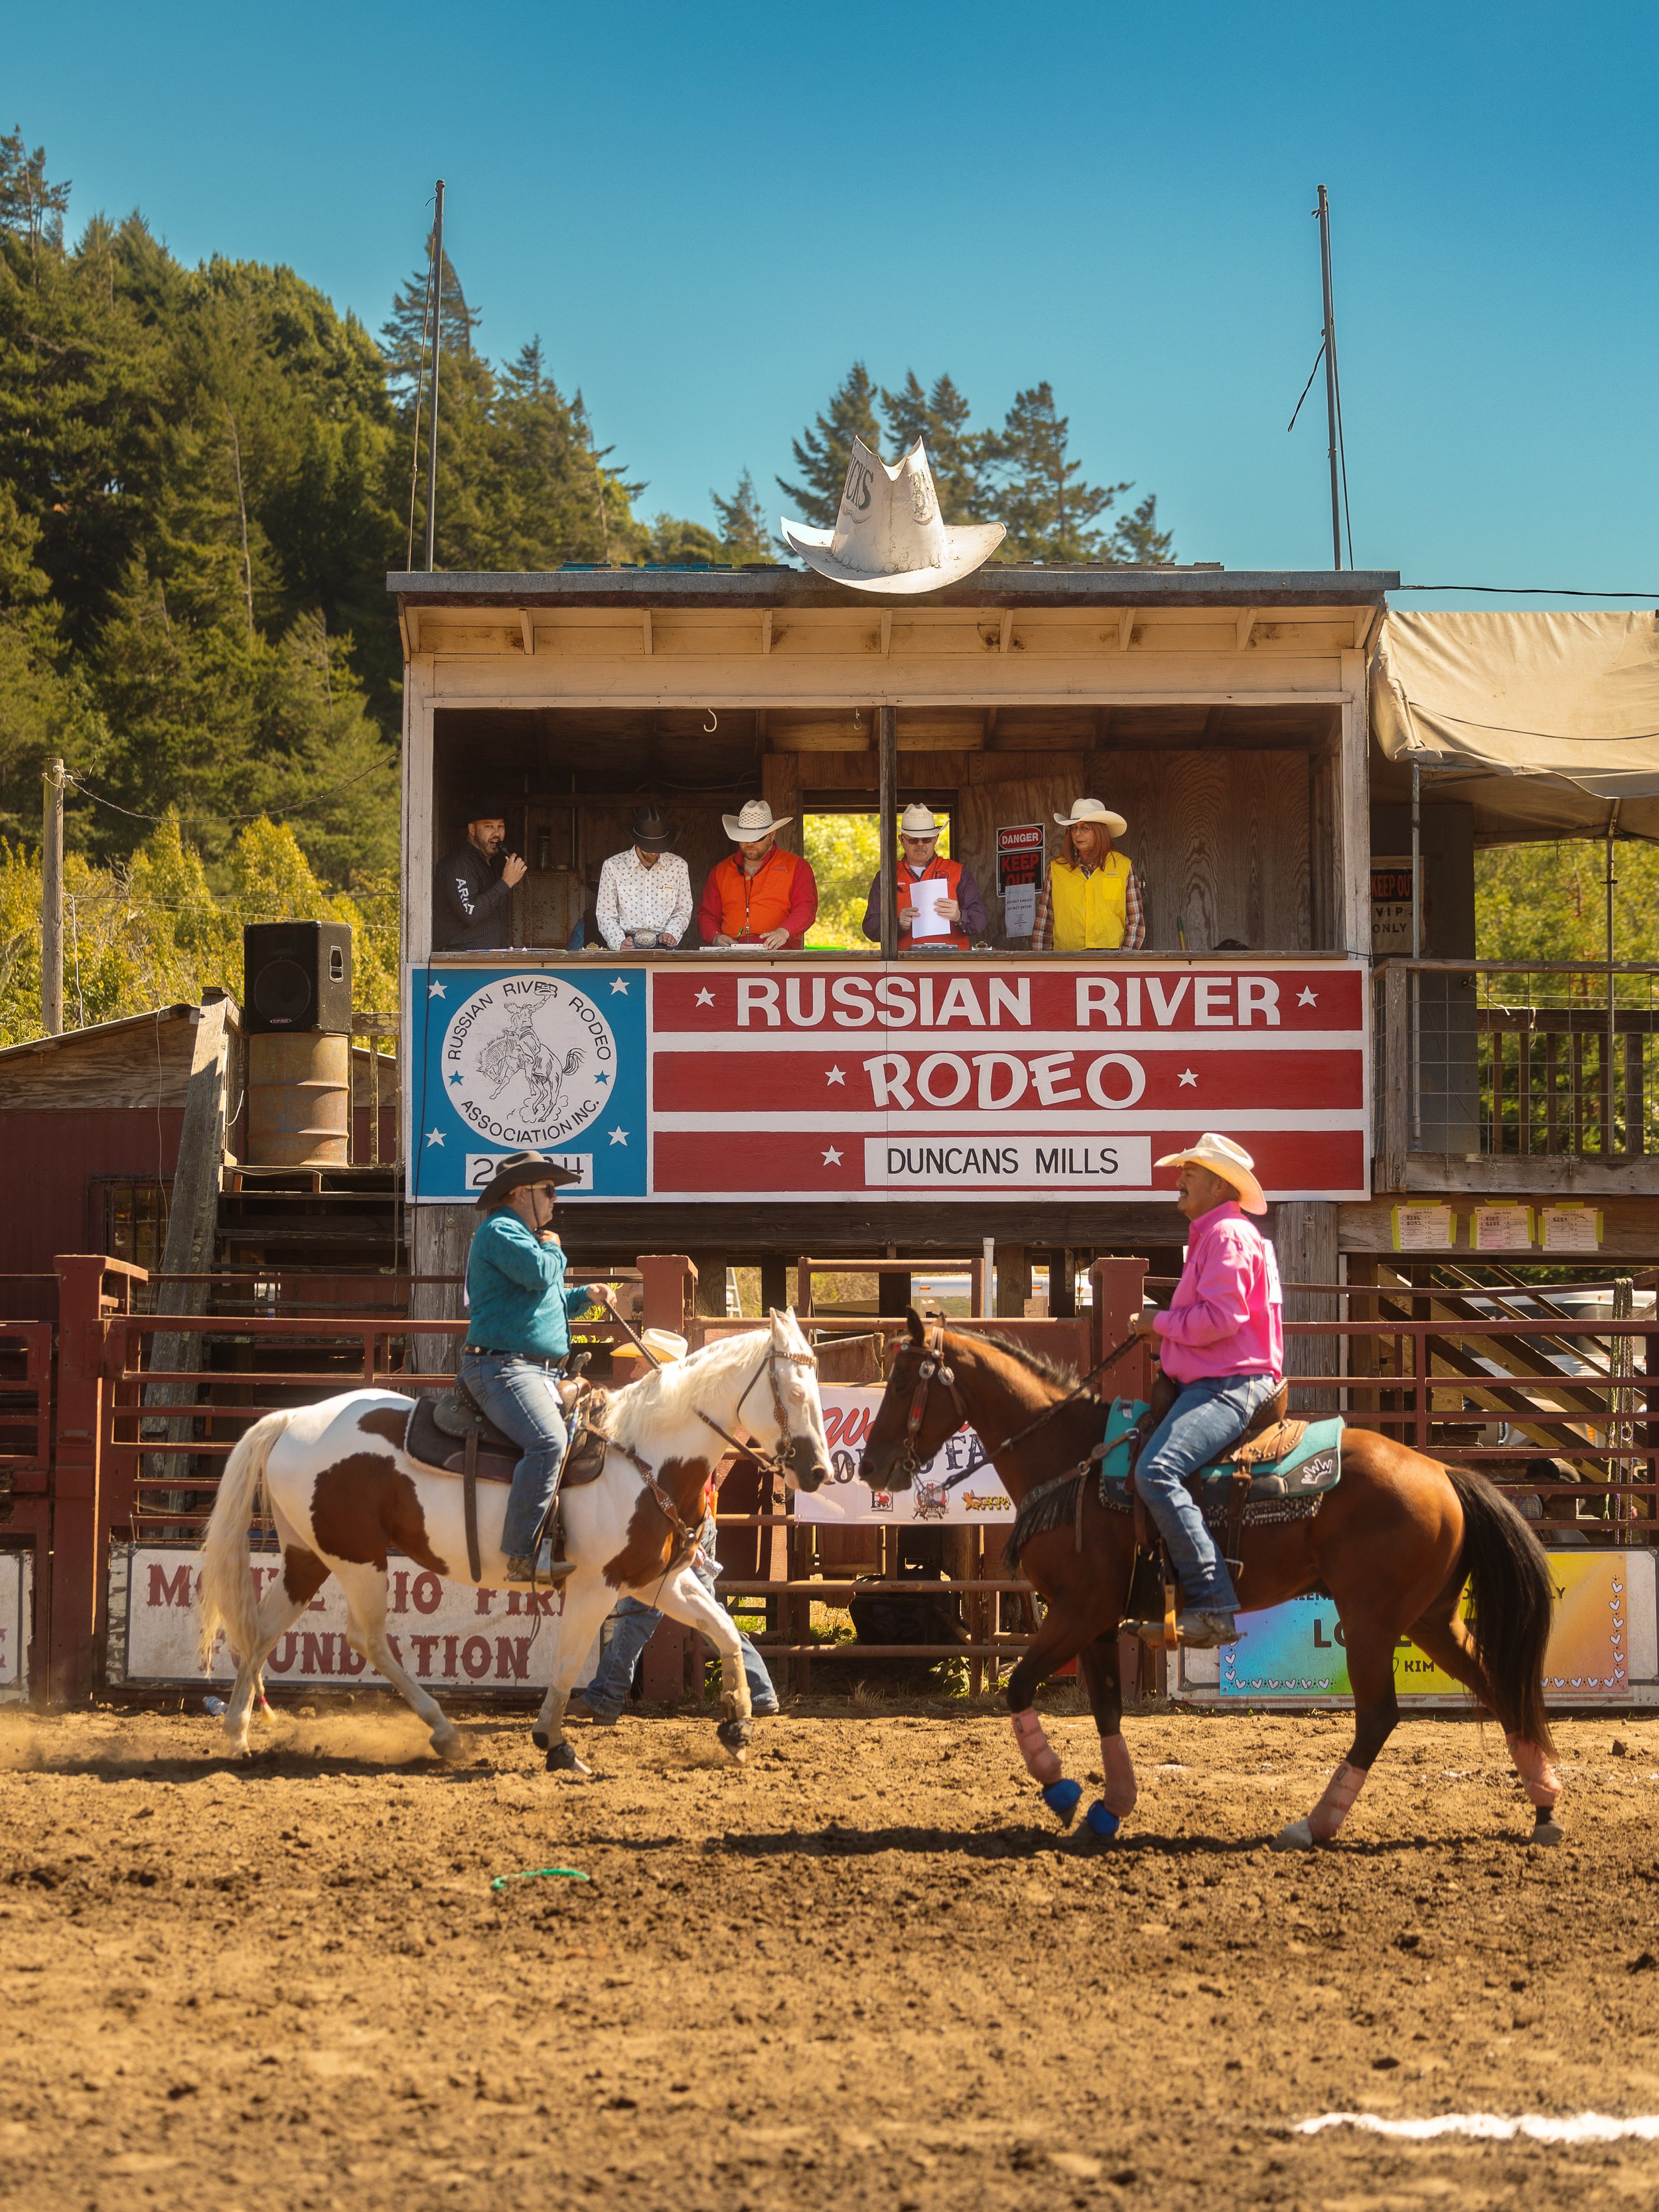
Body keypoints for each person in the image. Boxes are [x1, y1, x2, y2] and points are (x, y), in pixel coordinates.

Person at [1122, 1134, 1283, 1649]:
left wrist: (1158, 1322)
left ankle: (1212, 1605)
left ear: (1218, 1183)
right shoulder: (1223, 1235)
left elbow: (1222, 1318)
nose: (1178, 1179)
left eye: (1189, 1171)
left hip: (1229, 1383)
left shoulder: (1226, 1236)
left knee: (1156, 1469)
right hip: (1222, 1379)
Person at [459, 1150, 613, 1584]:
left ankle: (556, 1538)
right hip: (503, 1369)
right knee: (548, 1442)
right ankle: (522, 1554)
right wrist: (557, 1250)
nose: (553, 1200)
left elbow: (549, 1298)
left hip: (533, 1370)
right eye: (548, 1191)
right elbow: (539, 1274)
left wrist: (586, 1295)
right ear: (521, 1192)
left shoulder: (522, 1237)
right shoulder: (502, 1230)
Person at [569, 1501, 779, 1726]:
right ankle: (759, 1692)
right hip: (688, 1525)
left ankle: (605, 1697)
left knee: (637, 1613)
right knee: (710, 1618)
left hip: (673, 1531)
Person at [861, 802, 989, 950]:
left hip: (952, 963)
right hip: (903, 964)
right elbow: (870, 927)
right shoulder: (887, 876)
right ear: (902, 840)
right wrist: (897, 924)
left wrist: (959, 916)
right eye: (913, 840)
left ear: (936, 839)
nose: (920, 844)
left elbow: (981, 921)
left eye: (927, 839)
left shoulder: (958, 872)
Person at [1029, 797, 1145, 952]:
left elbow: (1135, 921)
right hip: (1065, 958)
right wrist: (1043, 966)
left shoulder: (1123, 867)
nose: (1078, 834)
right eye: (1074, 828)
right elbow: (1044, 923)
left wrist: (1123, 960)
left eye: (1085, 828)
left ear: (1100, 832)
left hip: (1111, 957)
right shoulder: (1056, 869)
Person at [698, 800, 818, 948]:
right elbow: (707, 914)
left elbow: (806, 907)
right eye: (744, 837)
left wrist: (784, 932)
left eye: (757, 838)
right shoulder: (720, 870)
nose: (750, 843)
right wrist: (715, 937)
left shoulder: (797, 867)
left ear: (772, 835)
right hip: (731, 955)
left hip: (782, 953)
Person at [595, 804, 693, 950]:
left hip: (664, 942)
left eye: (659, 847)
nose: (654, 852)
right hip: (627, 942)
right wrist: (619, 942)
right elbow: (605, 914)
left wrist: (672, 933)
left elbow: (683, 910)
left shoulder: (678, 866)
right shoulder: (613, 866)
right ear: (637, 842)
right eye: (649, 847)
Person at [434, 801, 526, 952]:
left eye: (501, 826)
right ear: (472, 829)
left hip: (485, 962)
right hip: (459, 962)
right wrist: (506, 883)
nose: (497, 833)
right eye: (489, 826)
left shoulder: (487, 864)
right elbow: (471, 913)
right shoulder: (459, 864)